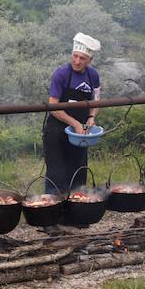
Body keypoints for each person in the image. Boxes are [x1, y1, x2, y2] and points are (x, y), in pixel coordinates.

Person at [43, 33, 102, 194]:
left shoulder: (93, 75)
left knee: (78, 171)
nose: (77, 61)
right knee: (57, 173)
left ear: (89, 60)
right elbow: (53, 106)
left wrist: (91, 117)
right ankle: (52, 211)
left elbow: (96, 101)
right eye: (75, 56)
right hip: (57, 130)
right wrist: (75, 124)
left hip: (80, 133)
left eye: (82, 58)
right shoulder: (61, 74)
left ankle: (76, 212)